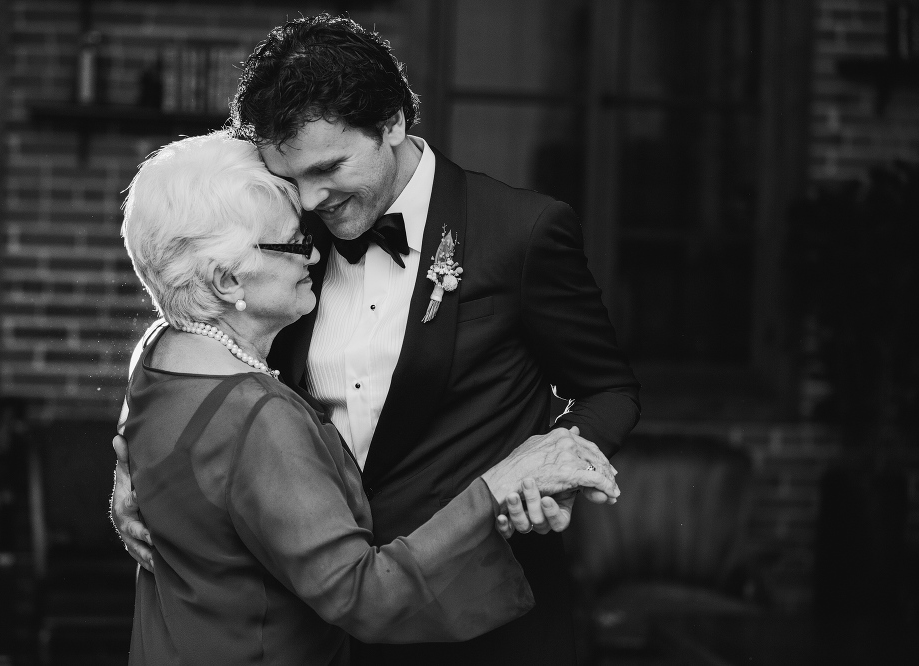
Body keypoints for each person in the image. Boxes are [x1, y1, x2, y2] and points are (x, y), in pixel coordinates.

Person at [112, 14, 641, 665]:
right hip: (332, 611)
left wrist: (549, 471)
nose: (310, 200)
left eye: (329, 168)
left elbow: (609, 388)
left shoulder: (521, 232)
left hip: (480, 607)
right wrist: (134, 458)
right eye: (291, 178)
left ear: (393, 122)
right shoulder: (288, 236)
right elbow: (198, 304)